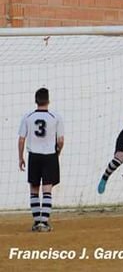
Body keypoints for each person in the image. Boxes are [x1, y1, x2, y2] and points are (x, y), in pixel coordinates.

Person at [18, 88, 64, 232]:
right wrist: (58, 153)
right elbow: (61, 140)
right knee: (47, 189)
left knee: (34, 189)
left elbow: (21, 139)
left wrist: (21, 157)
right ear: (48, 100)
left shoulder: (28, 117)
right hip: (50, 155)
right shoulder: (55, 117)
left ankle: (36, 221)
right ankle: (44, 223)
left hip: (34, 156)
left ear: (36, 101)